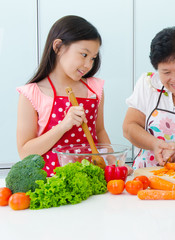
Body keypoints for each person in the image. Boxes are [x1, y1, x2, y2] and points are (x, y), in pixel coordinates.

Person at [16, 15, 111, 177]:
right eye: (83, 54)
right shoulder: (32, 93)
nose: (88, 64)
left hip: (93, 179)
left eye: (93, 58)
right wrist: (63, 126)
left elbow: (100, 132)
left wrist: (113, 165)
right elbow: (25, 153)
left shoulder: (95, 89)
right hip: (52, 183)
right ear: (58, 47)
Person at [123, 26, 175, 169]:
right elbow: (129, 127)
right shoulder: (148, 84)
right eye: (166, 72)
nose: (174, 79)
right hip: (145, 175)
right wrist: (155, 144)